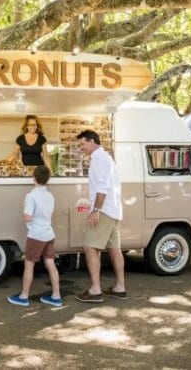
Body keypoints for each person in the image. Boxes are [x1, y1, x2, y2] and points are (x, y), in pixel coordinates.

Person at [75, 129, 126, 303]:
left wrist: (96, 210)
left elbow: (102, 187)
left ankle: (95, 290)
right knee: (114, 249)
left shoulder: (98, 159)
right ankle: (120, 287)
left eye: (82, 144)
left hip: (103, 210)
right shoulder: (107, 158)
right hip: (114, 210)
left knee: (90, 246)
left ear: (91, 141)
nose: (81, 148)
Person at [7, 165, 62, 307]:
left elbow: (27, 217)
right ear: (48, 180)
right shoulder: (50, 196)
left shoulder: (31, 196)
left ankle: (24, 296)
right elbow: (49, 215)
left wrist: (24, 207)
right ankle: (56, 296)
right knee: (50, 263)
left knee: (29, 264)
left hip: (36, 235)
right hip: (49, 233)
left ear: (34, 178)